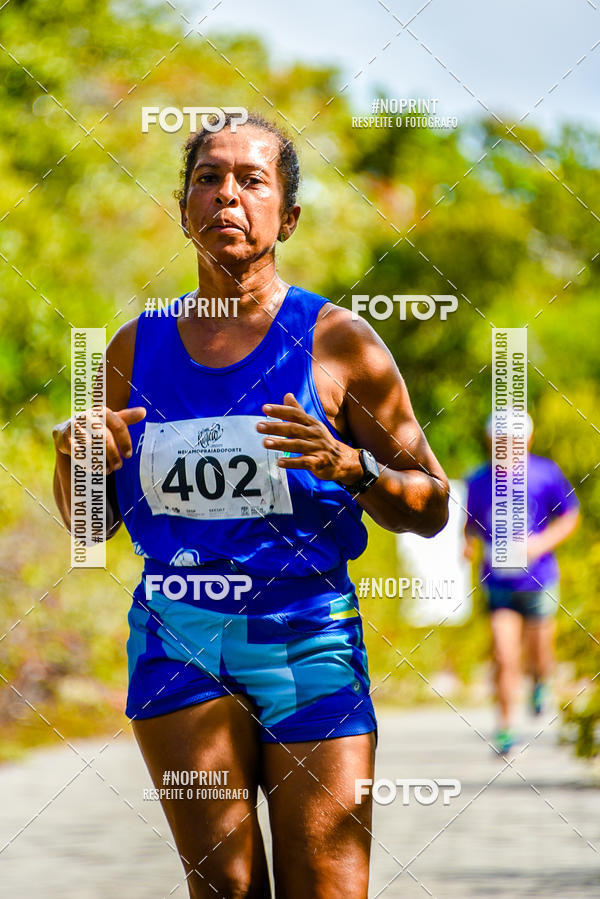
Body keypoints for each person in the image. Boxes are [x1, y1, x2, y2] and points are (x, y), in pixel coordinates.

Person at [52, 112, 449, 899]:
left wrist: (350, 465)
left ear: (288, 217)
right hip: (179, 630)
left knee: (327, 886)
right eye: (208, 177)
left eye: (251, 179)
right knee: (225, 889)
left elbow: (432, 504)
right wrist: (72, 459)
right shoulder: (136, 346)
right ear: (182, 205)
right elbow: (90, 526)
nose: (226, 194)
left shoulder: (338, 342)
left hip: (307, 632)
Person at [464, 414, 579, 755]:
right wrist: (467, 543)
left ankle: (542, 680)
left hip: (540, 580)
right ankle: (504, 727)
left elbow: (570, 514)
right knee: (503, 652)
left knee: (539, 652)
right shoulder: (479, 481)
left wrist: (542, 543)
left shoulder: (546, 473)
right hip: (497, 581)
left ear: (526, 442)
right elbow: (469, 523)